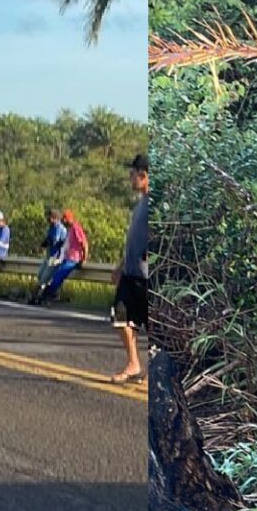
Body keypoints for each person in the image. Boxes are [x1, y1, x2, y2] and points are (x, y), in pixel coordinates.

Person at [109, 153, 150, 383]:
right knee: (120, 316)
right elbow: (133, 241)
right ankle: (133, 364)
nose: (130, 178)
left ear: (143, 175)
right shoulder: (139, 205)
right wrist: (120, 266)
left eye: (132, 174)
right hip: (130, 273)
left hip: (145, 277)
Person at [33, 209, 88, 304]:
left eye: (65, 219)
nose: (64, 221)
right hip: (67, 258)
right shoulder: (69, 229)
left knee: (57, 278)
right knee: (55, 277)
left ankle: (46, 295)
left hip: (73, 259)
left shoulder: (75, 228)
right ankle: (46, 296)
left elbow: (84, 243)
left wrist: (83, 259)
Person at [37, 209, 67, 287]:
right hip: (49, 254)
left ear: (55, 218)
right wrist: (42, 246)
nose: (49, 219)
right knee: (39, 275)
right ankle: (45, 292)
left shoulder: (61, 229)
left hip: (56, 256)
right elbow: (48, 240)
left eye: (50, 218)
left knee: (44, 278)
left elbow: (58, 243)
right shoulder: (52, 227)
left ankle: (42, 294)